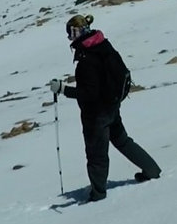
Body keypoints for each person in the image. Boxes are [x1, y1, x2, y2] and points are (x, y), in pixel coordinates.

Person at [50, 14, 161, 202]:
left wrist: (63, 89)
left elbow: (89, 93)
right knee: (123, 141)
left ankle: (98, 194)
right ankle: (151, 169)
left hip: (96, 114)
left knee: (96, 154)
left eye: (71, 33)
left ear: (78, 32)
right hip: (112, 106)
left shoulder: (87, 58)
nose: (70, 38)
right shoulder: (102, 45)